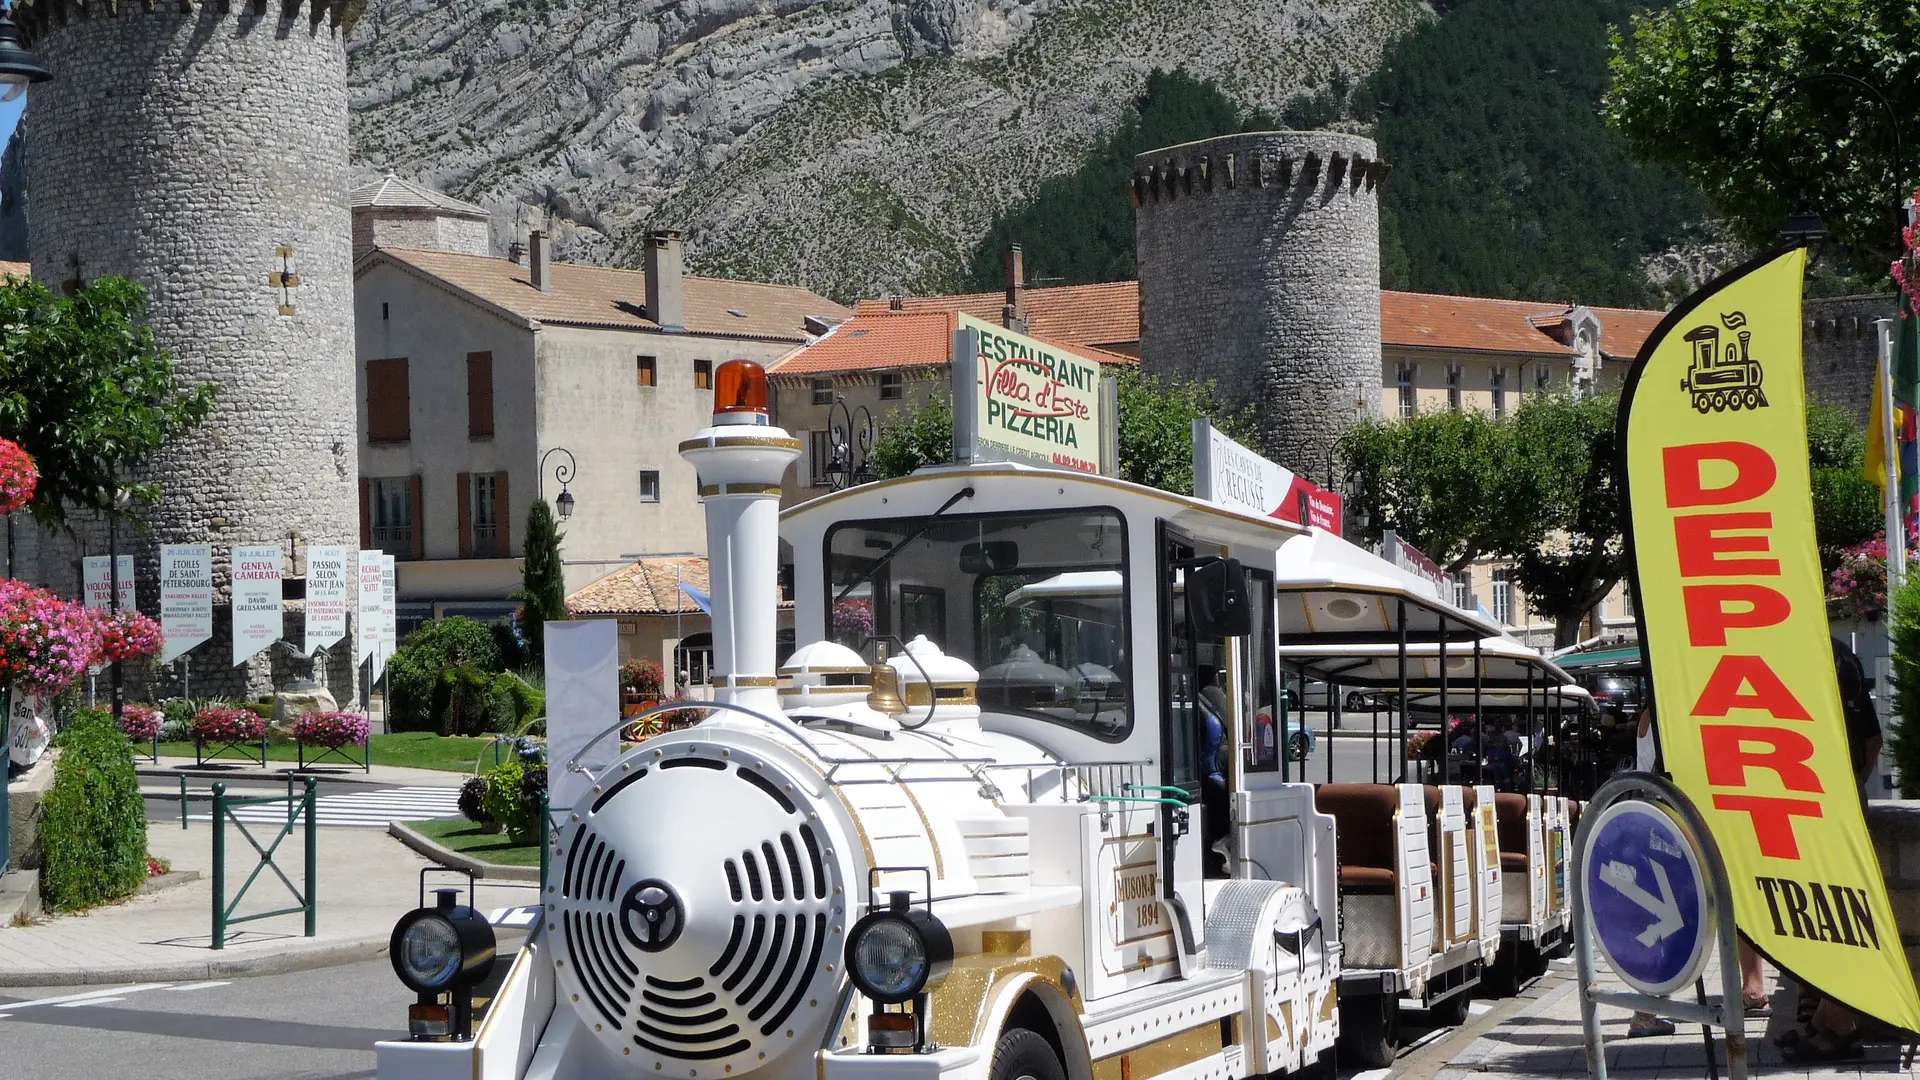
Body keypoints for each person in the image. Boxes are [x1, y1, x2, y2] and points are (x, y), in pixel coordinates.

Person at [1775, 640, 1885, 1062]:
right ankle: (1821, 1017)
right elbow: (1872, 740)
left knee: (1837, 911)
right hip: (1827, 793)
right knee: (1817, 911)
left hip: (1822, 796)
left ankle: (1840, 1024)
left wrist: (1846, 792)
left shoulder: (1820, 655)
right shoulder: (1836, 652)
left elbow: (1869, 739)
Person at [1198, 685, 1232, 878]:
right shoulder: (1216, 696)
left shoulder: (1201, 698)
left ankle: (1223, 844)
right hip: (1219, 770)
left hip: (1211, 773)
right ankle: (1223, 844)